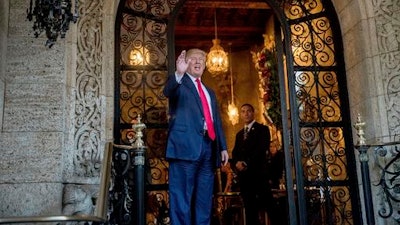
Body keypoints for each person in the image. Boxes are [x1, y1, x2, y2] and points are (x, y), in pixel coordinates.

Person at [163, 48, 229, 225]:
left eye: (202, 59)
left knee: (204, 201)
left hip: (208, 149)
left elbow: (216, 121)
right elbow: (167, 91)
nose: (198, 62)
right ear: (186, 62)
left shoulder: (210, 92)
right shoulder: (179, 84)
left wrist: (223, 146)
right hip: (184, 148)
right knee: (181, 200)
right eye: (193, 59)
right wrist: (178, 73)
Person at [231, 103, 278, 225]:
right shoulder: (239, 134)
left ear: (253, 113)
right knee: (250, 212)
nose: (246, 113)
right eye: (243, 111)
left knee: (270, 208)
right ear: (240, 115)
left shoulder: (262, 130)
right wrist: (236, 163)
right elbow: (235, 152)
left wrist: (246, 163)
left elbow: (261, 149)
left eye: (248, 111)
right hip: (245, 179)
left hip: (259, 176)